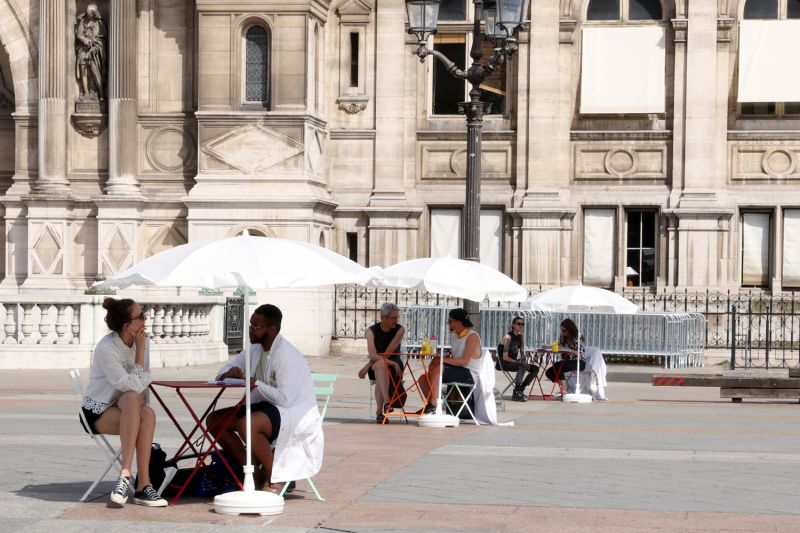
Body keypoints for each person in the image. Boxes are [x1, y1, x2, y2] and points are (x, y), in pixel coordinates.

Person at [207, 304, 323, 493]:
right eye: (251, 324)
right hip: (265, 407)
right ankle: (252, 471)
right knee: (215, 421)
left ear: (272, 329)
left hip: (294, 412)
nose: (250, 330)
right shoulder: (254, 349)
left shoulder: (287, 355)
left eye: (255, 326)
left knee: (247, 424)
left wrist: (255, 383)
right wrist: (230, 372)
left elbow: (285, 399)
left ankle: (275, 477)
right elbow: (221, 373)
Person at [80, 297, 167, 507]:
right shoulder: (106, 348)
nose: (146, 319)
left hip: (128, 408)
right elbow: (136, 383)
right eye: (141, 315)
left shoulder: (142, 342)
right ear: (128, 326)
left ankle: (138, 482)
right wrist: (138, 353)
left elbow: (142, 382)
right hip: (98, 411)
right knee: (132, 398)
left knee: (145, 411)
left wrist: (140, 353)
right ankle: (132, 478)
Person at [418, 308, 482, 412]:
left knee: (439, 365)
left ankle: (434, 403)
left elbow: (464, 361)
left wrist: (443, 359)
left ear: (458, 323)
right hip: (458, 370)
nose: (448, 323)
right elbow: (456, 355)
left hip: (470, 373)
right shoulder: (455, 336)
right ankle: (432, 405)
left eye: (450, 321)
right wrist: (443, 357)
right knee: (423, 378)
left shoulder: (472, 337)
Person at [357, 303, 406, 424]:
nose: (396, 320)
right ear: (383, 318)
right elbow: (373, 355)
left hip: (393, 364)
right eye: (393, 318)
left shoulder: (400, 330)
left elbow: (387, 353)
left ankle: (380, 412)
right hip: (381, 364)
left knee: (380, 368)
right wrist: (372, 364)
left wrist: (367, 365)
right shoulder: (371, 331)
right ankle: (387, 402)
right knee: (380, 367)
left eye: (396, 317)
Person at [497, 317, 539, 402]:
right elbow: (505, 357)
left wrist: (524, 361)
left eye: (523, 324)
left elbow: (522, 353)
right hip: (503, 363)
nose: (521, 326)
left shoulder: (521, 337)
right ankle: (516, 391)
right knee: (521, 365)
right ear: (513, 325)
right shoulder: (507, 337)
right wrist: (519, 362)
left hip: (514, 363)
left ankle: (520, 389)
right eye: (519, 324)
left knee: (535, 368)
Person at [544, 318, 586, 397]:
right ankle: (565, 386)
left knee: (558, 366)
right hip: (566, 361)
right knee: (549, 372)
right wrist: (548, 347)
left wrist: (568, 350)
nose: (563, 333)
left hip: (578, 362)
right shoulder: (563, 336)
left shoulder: (578, 336)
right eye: (562, 331)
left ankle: (564, 389)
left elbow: (579, 353)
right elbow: (559, 346)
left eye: (564, 331)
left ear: (569, 329)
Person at [74, 4, 107, 100]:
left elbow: (102, 36)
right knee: (83, 69)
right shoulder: (83, 21)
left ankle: (100, 92)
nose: (88, 15)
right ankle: (85, 92)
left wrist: (95, 44)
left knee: (94, 70)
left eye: (90, 14)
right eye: (87, 13)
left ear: (94, 14)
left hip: (94, 50)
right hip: (83, 49)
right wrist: (87, 41)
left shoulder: (99, 22)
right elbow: (79, 35)